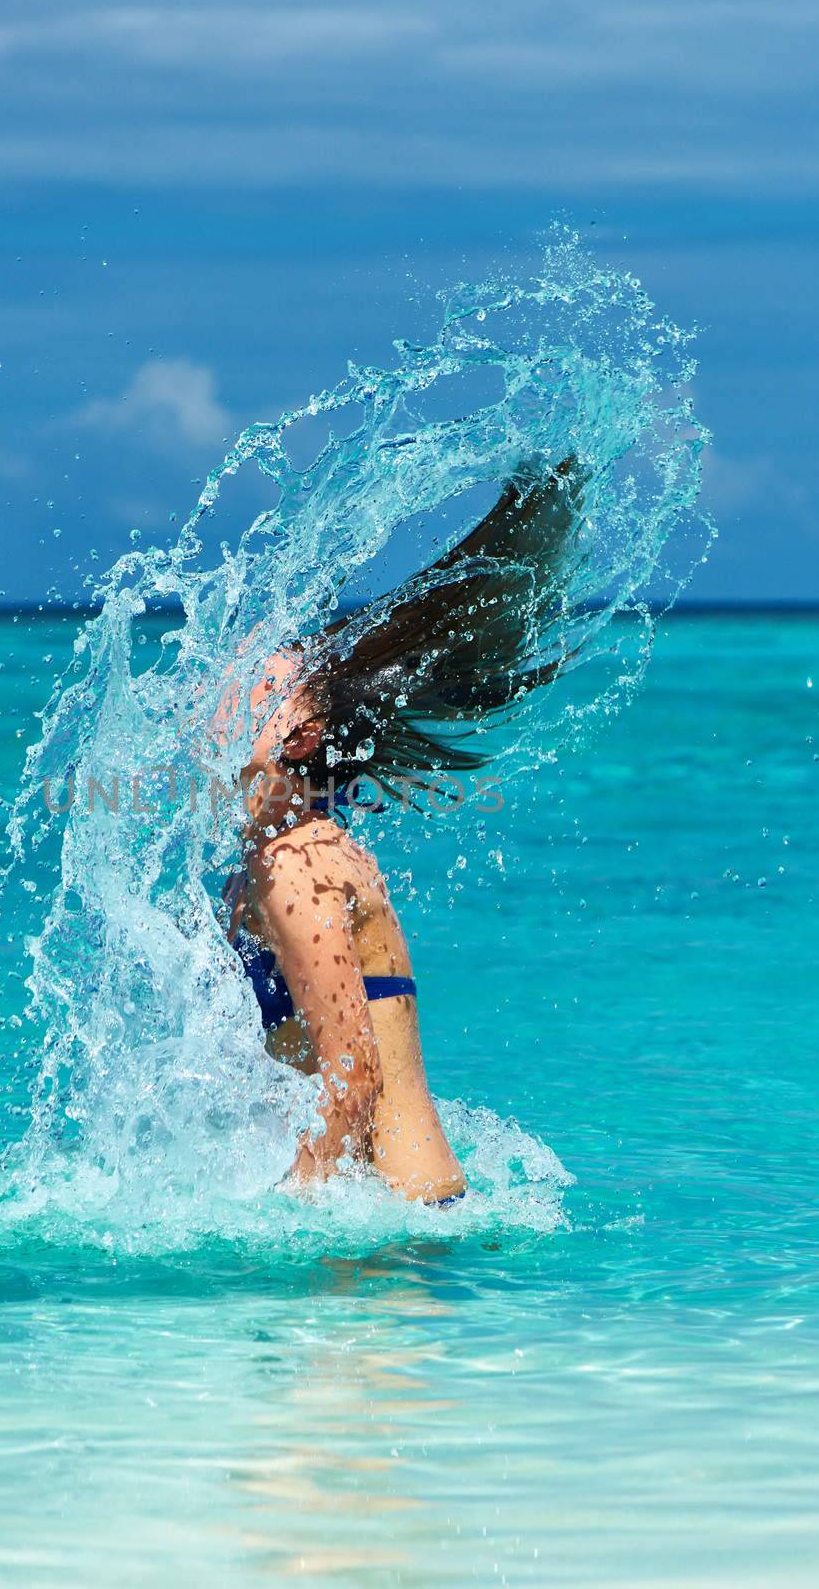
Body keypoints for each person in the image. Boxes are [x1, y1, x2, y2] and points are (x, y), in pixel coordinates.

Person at [222, 458, 587, 1203]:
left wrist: (283, 1219)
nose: (214, 690)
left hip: (396, 1233)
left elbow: (351, 1077)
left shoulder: (295, 865)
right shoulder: (297, 853)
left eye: (248, 686)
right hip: (409, 1215)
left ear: (300, 735)